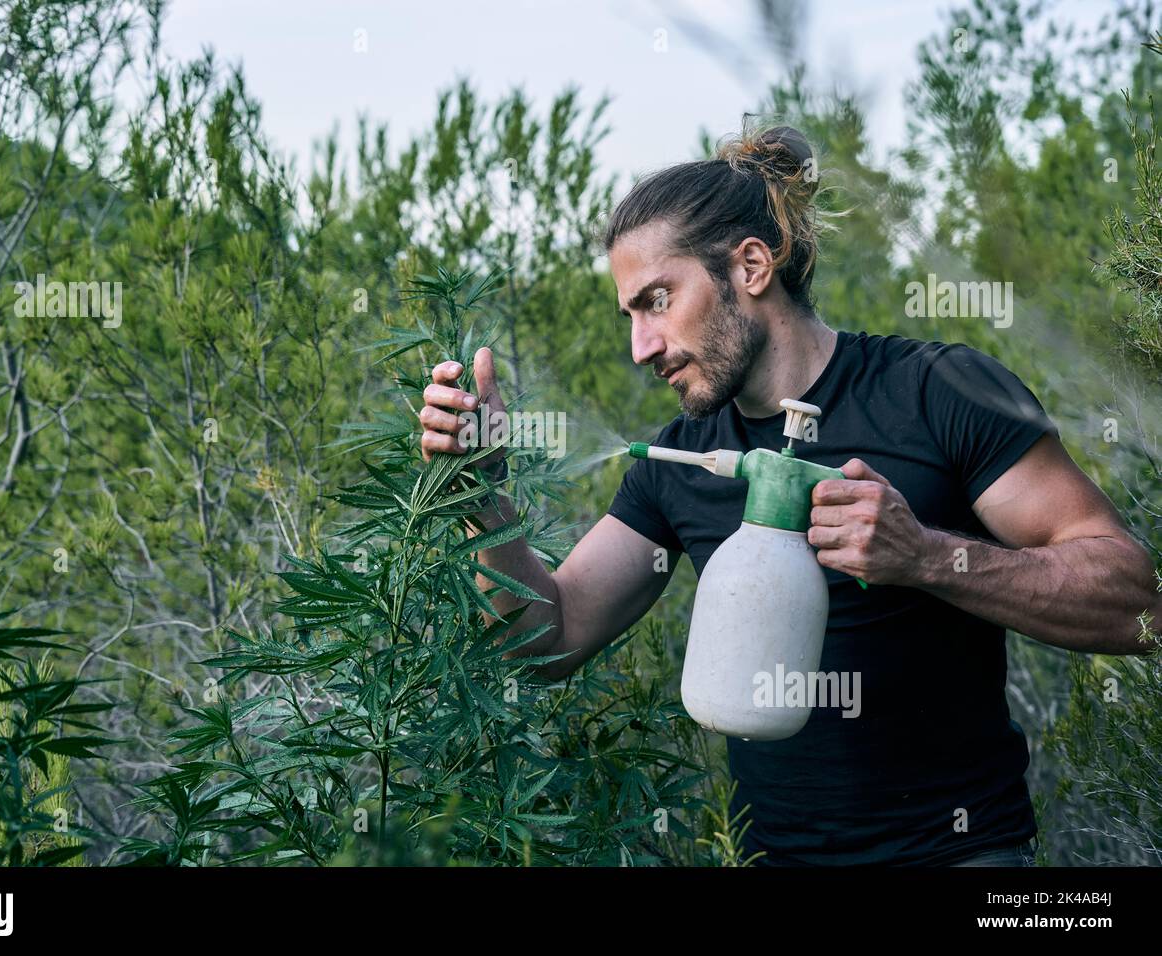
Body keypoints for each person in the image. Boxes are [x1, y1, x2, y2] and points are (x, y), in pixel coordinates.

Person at [416, 125, 1159, 866]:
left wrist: (929, 557)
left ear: (749, 265)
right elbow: (546, 642)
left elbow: (1139, 602)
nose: (642, 347)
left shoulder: (939, 392)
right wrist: (481, 496)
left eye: (658, 300)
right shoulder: (680, 459)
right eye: (630, 315)